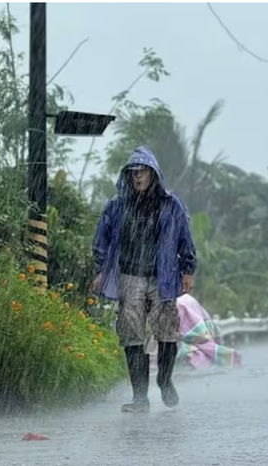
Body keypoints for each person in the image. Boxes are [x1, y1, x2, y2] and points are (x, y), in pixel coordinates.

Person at [90, 146, 197, 414]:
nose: (138, 176)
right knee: (131, 335)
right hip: (130, 276)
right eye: (134, 172)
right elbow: (101, 240)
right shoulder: (117, 206)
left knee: (167, 332)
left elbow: (185, 238)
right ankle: (140, 398)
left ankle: (164, 380)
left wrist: (187, 269)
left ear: (153, 174)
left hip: (163, 276)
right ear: (128, 175)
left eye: (143, 171)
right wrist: (100, 270)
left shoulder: (170, 204)